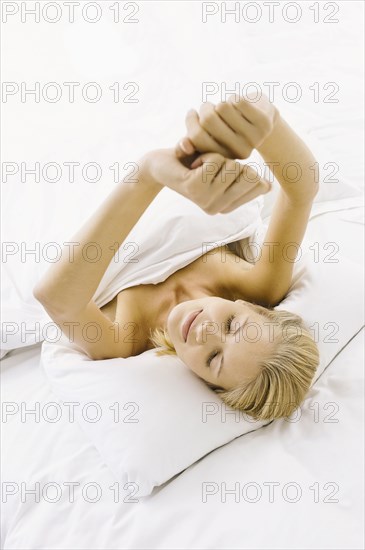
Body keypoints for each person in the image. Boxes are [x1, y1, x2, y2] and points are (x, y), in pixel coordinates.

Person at [33, 93, 320, 421]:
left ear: (206, 384)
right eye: (231, 325)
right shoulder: (261, 285)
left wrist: (151, 172)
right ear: (254, 309)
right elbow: (302, 187)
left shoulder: (124, 341)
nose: (205, 332)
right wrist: (263, 121)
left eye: (213, 358)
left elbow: (56, 298)